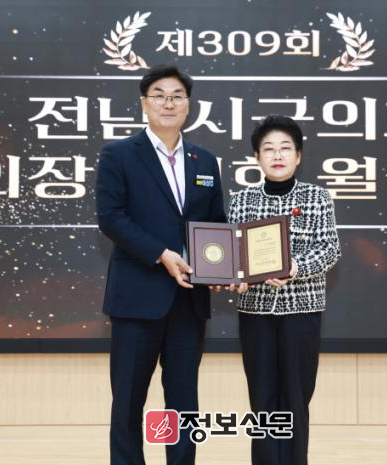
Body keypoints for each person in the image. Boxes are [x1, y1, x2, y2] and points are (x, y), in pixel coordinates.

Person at [96, 63, 226, 465]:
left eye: (177, 97)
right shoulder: (119, 154)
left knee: (183, 402)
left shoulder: (205, 160)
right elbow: (111, 218)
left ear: (188, 105)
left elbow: (215, 224)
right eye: (159, 96)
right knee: (129, 400)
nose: (168, 104)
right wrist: (162, 254)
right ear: (144, 103)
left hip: (189, 301)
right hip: (138, 298)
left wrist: (221, 267)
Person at [227, 115, 341, 465]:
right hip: (255, 311)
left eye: (285, 148)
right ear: (257, 157)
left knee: (295, 396)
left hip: (301, 311)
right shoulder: (241, 200)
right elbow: (232, 255)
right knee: (261, 397)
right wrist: (234, 274)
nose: (277, 155)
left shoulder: (317, 197)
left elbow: (330, 249)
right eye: (268, 149)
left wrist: (294, 268)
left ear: (299, 155)